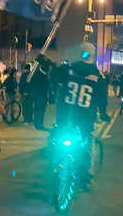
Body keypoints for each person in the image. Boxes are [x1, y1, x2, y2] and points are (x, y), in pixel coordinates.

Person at [38, 41, 103, 182]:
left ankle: (53, 155)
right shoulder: (97, 76)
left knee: (57, 133)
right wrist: (103, 113)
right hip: (85, 119)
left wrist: (45, 61)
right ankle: (87, 172)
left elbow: (54, 71)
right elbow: (101, 99)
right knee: (88, 142)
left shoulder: (68, 69)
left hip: (65, 115)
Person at [30, 61, 50, 130]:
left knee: (37, 109)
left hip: (36, 94)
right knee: (40, 110)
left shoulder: (36, 74)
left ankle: (37, 123)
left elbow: (32, 84)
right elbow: (46, 87)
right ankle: (39, 124)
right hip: (41, 95)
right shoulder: (43, 76)